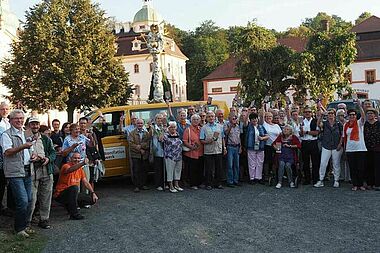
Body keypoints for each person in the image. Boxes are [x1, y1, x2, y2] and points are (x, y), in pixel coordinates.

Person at [1, 109, 34, 237]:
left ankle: (25, 225)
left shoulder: (25, 133)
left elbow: (27, 150)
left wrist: (33, 155)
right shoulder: (6, 134)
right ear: (11, 120)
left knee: (30, 200)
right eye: (16, 118)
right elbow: (7, 152)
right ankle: (19, 229)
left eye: (21, 118)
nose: (20, 120)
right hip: (15, 172)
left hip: (27, 168)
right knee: (22, 201)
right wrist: (23, 147)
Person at [26, 117, 56, 229]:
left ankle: (44, 219)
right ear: (28, 125)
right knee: (32, 198)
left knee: (46, 196)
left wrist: (48, 159)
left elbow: (53, 153)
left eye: (37, 124)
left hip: (46, 169)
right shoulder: (25, 138)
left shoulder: (46, 139)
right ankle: (27, 221)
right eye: (33, 124)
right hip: (32, 170)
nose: (35, 126)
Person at [54, 152, 98, 220]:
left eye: (78, 158)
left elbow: (85, 182)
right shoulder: (65, 166)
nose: (77, 160)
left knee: (92, 200)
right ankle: (74, 214)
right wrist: (82, 163)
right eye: (75, 158)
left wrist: (93, 193)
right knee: (74, 188)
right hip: (60, 194)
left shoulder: (80, 169)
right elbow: (70, 169)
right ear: (70, 159)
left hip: (73, 194)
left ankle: (70, 205)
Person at [314, 109, 343, 188]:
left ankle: (336, 180)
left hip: (336, 146)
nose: (330, 115)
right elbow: (318, 125)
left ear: (334, 114)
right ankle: (321, 180)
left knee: (336, 164)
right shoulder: (324, 123)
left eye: (332, 113)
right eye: (329, 113)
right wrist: (321, 116)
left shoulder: (338, 124)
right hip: (326, 146)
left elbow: (342, 135)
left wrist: (340, 144)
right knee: (323, 163)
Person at [200, 111, 227, 190]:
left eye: (212, 116)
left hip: (218, 149)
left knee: (219, 167)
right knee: (209, 168)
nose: (211, 118)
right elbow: (201, 140)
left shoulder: (220, 126)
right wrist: (208, 141)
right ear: (207, 118)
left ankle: (218, 183)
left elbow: (222, 138)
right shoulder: (204, 128)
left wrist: (224, 147)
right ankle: (209, 184)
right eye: (209, 116)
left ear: (215, 117)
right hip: (208, 151)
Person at [343, 104, 367, 191]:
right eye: (350, 115)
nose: (352, 116)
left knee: (360, 168)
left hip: (360, 149)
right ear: (348, 116)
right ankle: (355, 184)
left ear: (356, 116)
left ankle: (360, 184)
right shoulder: (345, 125)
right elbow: (344, 138)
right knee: (352, 168)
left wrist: (359, 106)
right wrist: (345, 150)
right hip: (350, 149)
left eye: (353, 115)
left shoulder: (359, 123)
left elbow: (363, 116)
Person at [128, 119, 151, 193]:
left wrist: (141, 146)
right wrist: (140, 149)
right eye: (138, 123)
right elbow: (131, 144)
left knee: (144, 170)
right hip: (135, 154)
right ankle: (137, 186)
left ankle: (143, 184)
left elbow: (148, 143)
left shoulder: (146, 133)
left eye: (141, 123)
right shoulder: (132, 133)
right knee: (136, 170)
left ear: (143, 124)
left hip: (144, 154)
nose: (140, 125)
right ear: (136, 124)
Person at [245, 113, 268, 184]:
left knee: (260, 163)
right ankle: (252, 178)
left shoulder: (261, 127)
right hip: (251, 147)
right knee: (252, 163)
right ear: (250, 120)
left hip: (260, 147)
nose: (254, 120)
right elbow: (245, 121)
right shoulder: (249, 127)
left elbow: (267, 136)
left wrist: (262, 138)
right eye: (252, 119)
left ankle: (259, 177)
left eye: (255, 118)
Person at [300, 106, 320, 185]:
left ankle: (315, 179)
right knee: (306, 162)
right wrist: (302, 131)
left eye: (309, 112)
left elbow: (317, 132)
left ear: (312, 113)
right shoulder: (301, 122)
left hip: (313, 142)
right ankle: (307, 179)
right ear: (304, 113)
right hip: (304, 143)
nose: (307, 113)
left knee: (315, 162)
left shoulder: (315, 121)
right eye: (306, 112)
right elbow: (301, 134)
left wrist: (307, 132)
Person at [183, 114, 203, 190]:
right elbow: (184, 141)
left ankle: (199, 183)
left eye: (197, 119)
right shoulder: (187, 130)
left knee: (200, 168)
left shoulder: (201, 129)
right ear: (191, 120)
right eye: (194, 119)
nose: (196, 121)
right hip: (191, 153)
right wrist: (191, 147)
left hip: (200, 152)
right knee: (192, 169)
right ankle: (193, 184)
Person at [163, 122, 183, 193]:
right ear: (168, 128)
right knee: (170, 171)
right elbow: (169, 142)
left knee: (177, 170)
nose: (173, 128)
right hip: (170, 156)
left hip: (179, 155)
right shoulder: (166, 135)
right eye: (171, 127)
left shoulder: (177, 134)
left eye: (174, 127)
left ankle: (177, 185)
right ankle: (171, 186)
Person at [363, 107, 380, 190]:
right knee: (368, 166)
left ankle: (377, 184)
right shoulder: (365, 124)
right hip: (367, 148)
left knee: (377, 166)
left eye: (371, 113)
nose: (370, 115)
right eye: (368, 113)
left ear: (375, 115)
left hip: (377, 148)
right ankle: (370, 183)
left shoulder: (379, 124)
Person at [263, 112, 282, 181]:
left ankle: (275, 174)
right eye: (267, 116)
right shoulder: (264, 124)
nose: (268, 118)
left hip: (278, 144)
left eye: (270, 116)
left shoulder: (276, 125)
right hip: (268, 145)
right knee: (267, 160)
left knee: (277, 160)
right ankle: (266, 175)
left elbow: (280, 135)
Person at [224, 113, 241, 187]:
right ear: (229, 118)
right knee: (230, 165)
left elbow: (239, 137)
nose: (234, 120)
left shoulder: (237, 126)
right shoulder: (226, 125)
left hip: (237, 146)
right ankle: (230, 181)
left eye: (235, 118)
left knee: (236, 165)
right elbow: (226, 134)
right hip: (230, 147)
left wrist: (240, 146)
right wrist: (231, 126)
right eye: (233, 118)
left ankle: (236, 180)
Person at [0, 102, 11, 216]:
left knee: (9, 182)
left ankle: (8, 206)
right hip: (1, 156)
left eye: (7, 109)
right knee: (1, 182)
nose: (5, 111)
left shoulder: (9, 122)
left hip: (10, 156)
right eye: (2, 109)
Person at [151, 113, 165, 191]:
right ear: (155, 120)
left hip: (165, 151)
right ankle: (158, 184)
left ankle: (164, 183)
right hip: (157, 150)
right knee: (158, 168)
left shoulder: (164, 127)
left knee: (164, 168)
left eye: (161, 118)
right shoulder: (153, 128)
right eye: (158, 119)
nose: (160, 120)